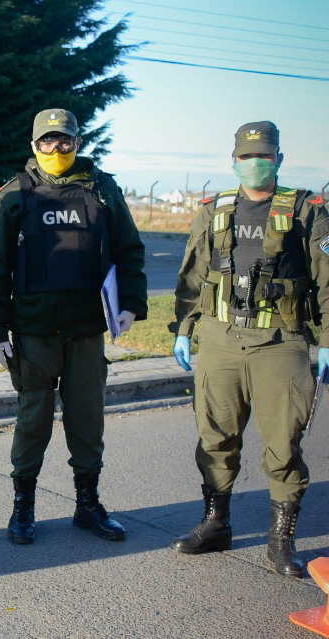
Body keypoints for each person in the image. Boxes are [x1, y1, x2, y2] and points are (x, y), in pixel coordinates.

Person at [0, 108, 147, 545]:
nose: (57, 149)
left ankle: (87, 505)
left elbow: (130, 249)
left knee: (87, 420)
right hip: (33, 333)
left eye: (66, 141)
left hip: (87, 330)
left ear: (77, 142)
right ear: (34, 145)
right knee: (33, 419)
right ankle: (23, 506)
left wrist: (131, 305)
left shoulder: (104, 189)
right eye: (48, 142)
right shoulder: (14, 195)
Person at [170, 121, 329, 578]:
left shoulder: (306, 211)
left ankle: (282, 542)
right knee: (216, 437)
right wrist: (184, 328)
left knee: (284, 444)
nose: (255, 164)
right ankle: (215, 524)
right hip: (221, 341)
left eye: (264, 155)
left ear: (279, 159)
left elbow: (328, 283)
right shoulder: (214, 210)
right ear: (233, 160)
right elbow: (192, 275)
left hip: (281, 343)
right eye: (247, 156)